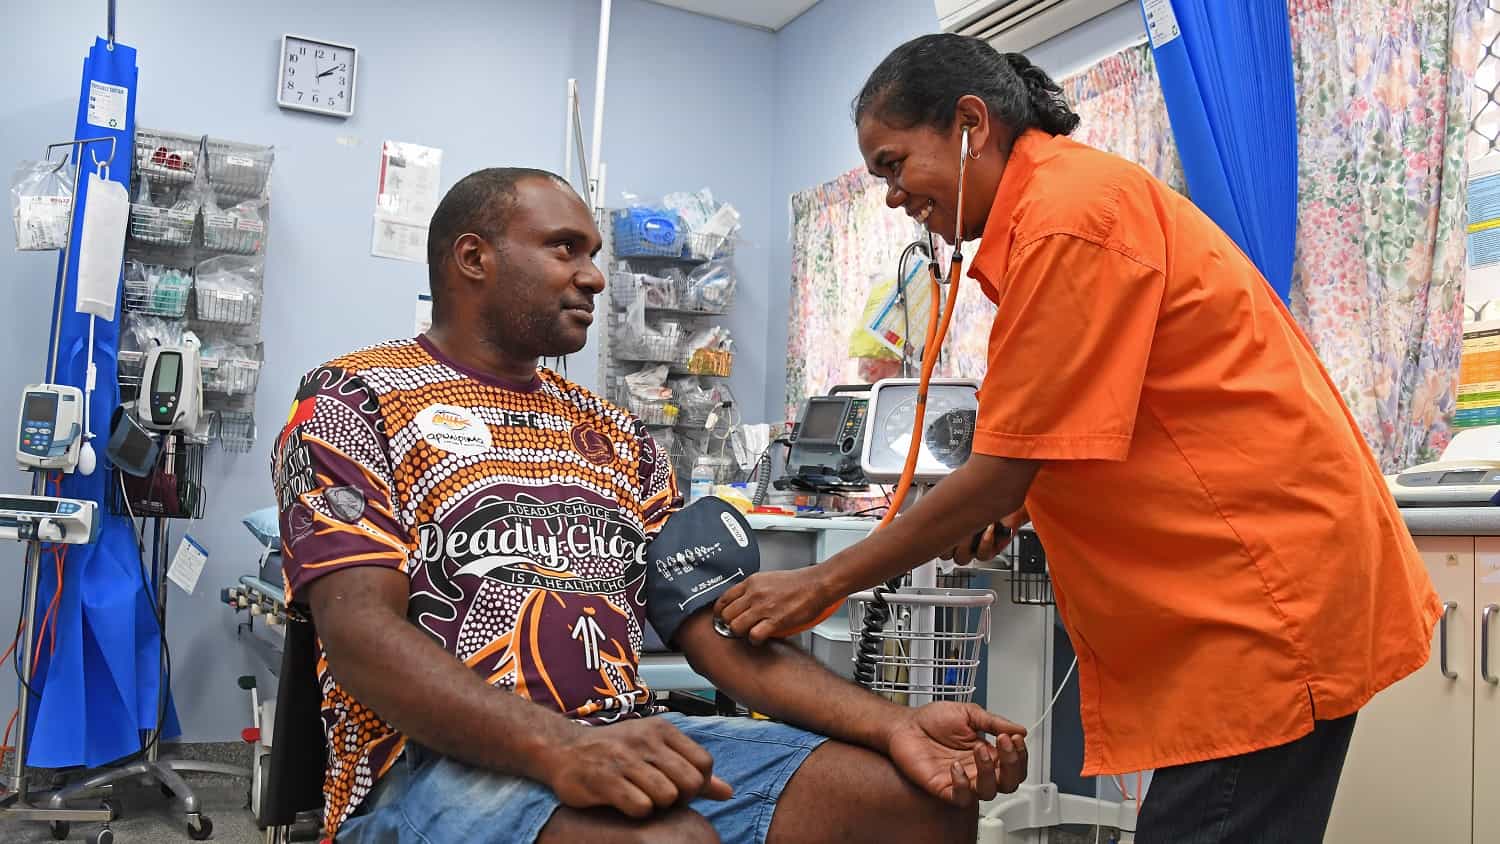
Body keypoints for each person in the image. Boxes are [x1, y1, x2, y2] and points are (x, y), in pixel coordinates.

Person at [714, 33, 1442, 842]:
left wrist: (821, 586)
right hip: (1253, 595)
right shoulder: (1057, 212)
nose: (890, 196)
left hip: (1264, 605)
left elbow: (1000, 469)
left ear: (969, 124)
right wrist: (1022, 507)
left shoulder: (1070, 219)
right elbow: (1098, 421)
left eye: (893, 164)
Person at [270, 166, 1029, 844]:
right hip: (428, 767)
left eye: (594, 253)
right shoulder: (351, 401)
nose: (595, 277)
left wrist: (896, 727)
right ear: (474, 259)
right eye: (565, 249)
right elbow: (359, 636)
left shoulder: (615, 433)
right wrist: (559, 748)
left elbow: (713, 628)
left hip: (619, 734)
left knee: (918, 800)